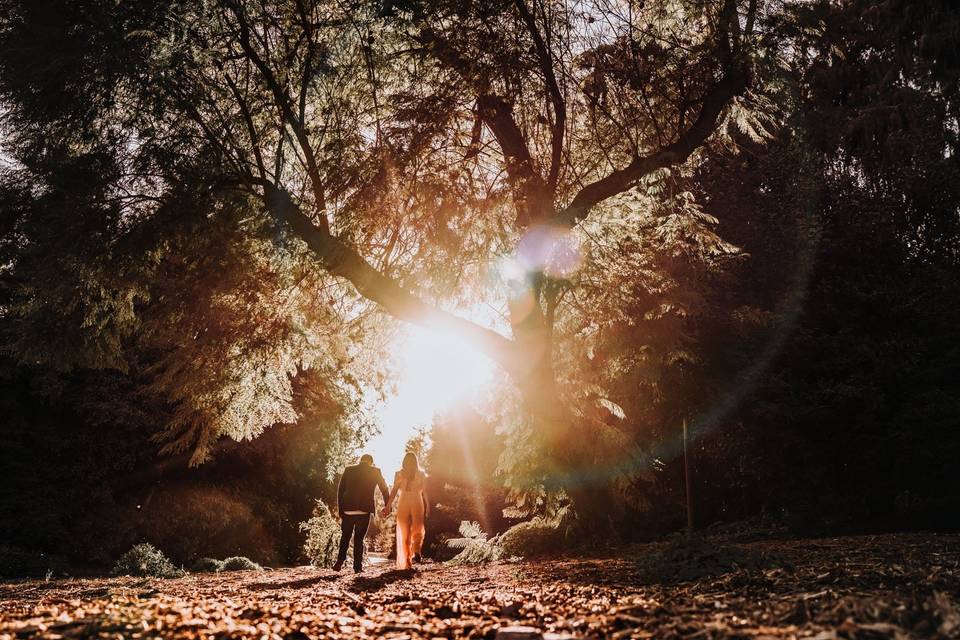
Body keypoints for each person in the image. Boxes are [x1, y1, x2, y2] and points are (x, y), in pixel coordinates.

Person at [334, 453, 389, 573]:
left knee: (345, 536)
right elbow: (384, 488)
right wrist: (387, 505)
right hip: (364, 510)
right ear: (371, 462)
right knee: (359, 539)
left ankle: (340, 561)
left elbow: (340, 490)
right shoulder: (375, 471)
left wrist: (341, 509)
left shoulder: (349, 470)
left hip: (348, 509)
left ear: (360, 460)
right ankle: (357, 567)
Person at [381, 452, 429, 570]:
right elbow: (425, 492)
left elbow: (394, 491)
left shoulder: (399, 474)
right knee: (418, 527)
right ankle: (416, 550)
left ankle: (407, 562)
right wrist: (428, 506)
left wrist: (388, 505)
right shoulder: (421, 474)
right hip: (417, 500)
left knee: (404, 531)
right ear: (416, 462)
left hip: (404, 501)